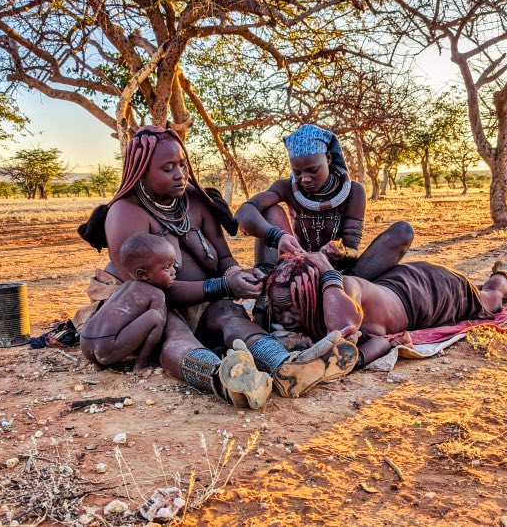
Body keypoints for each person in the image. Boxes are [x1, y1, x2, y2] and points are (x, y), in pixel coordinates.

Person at [77, 126, 358, 409]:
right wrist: (222, 286)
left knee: (231, 315)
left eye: (182, 164)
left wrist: (237, 275)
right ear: (142, 172)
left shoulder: (196, 200)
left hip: (206, 300)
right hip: (152, 308)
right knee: (173, 331)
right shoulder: (125, 213)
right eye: (168, 168)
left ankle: (286, 368)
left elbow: (223, 258)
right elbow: (152, 290)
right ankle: (223, 381)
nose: (180, 174)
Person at [265, 254, 507, 368]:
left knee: (490, 301)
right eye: (280, 309)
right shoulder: (306, 301)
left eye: (293, 309)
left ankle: (504, 273)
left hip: (428, 292)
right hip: (397, 283)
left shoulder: (343, 288)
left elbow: (343, 328)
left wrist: (329, 272)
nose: (285, 319)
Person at [235, 124, 414, 281]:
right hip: (297, 269)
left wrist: (341, 251)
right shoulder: (285, 188)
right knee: (270, 211)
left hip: (342, 272)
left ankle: (345, 287)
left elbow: (352, 251)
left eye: (312, 170)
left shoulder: (354, 192)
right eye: (297, 173)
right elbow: (244, 212)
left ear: (328, 158)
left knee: (403, 231)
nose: (304, 179)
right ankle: (265, 304)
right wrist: (277, 237)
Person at [80, 233, 175, 371]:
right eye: (167, 267)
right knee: (156, 317)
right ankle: (143, 364)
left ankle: (98, 365)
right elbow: (157, 327)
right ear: (143, 274)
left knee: (97, 314)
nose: (173, 271)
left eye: (173, 265)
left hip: (86, 345)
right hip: (107, 349)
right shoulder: (156, 294)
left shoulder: (123, 287)